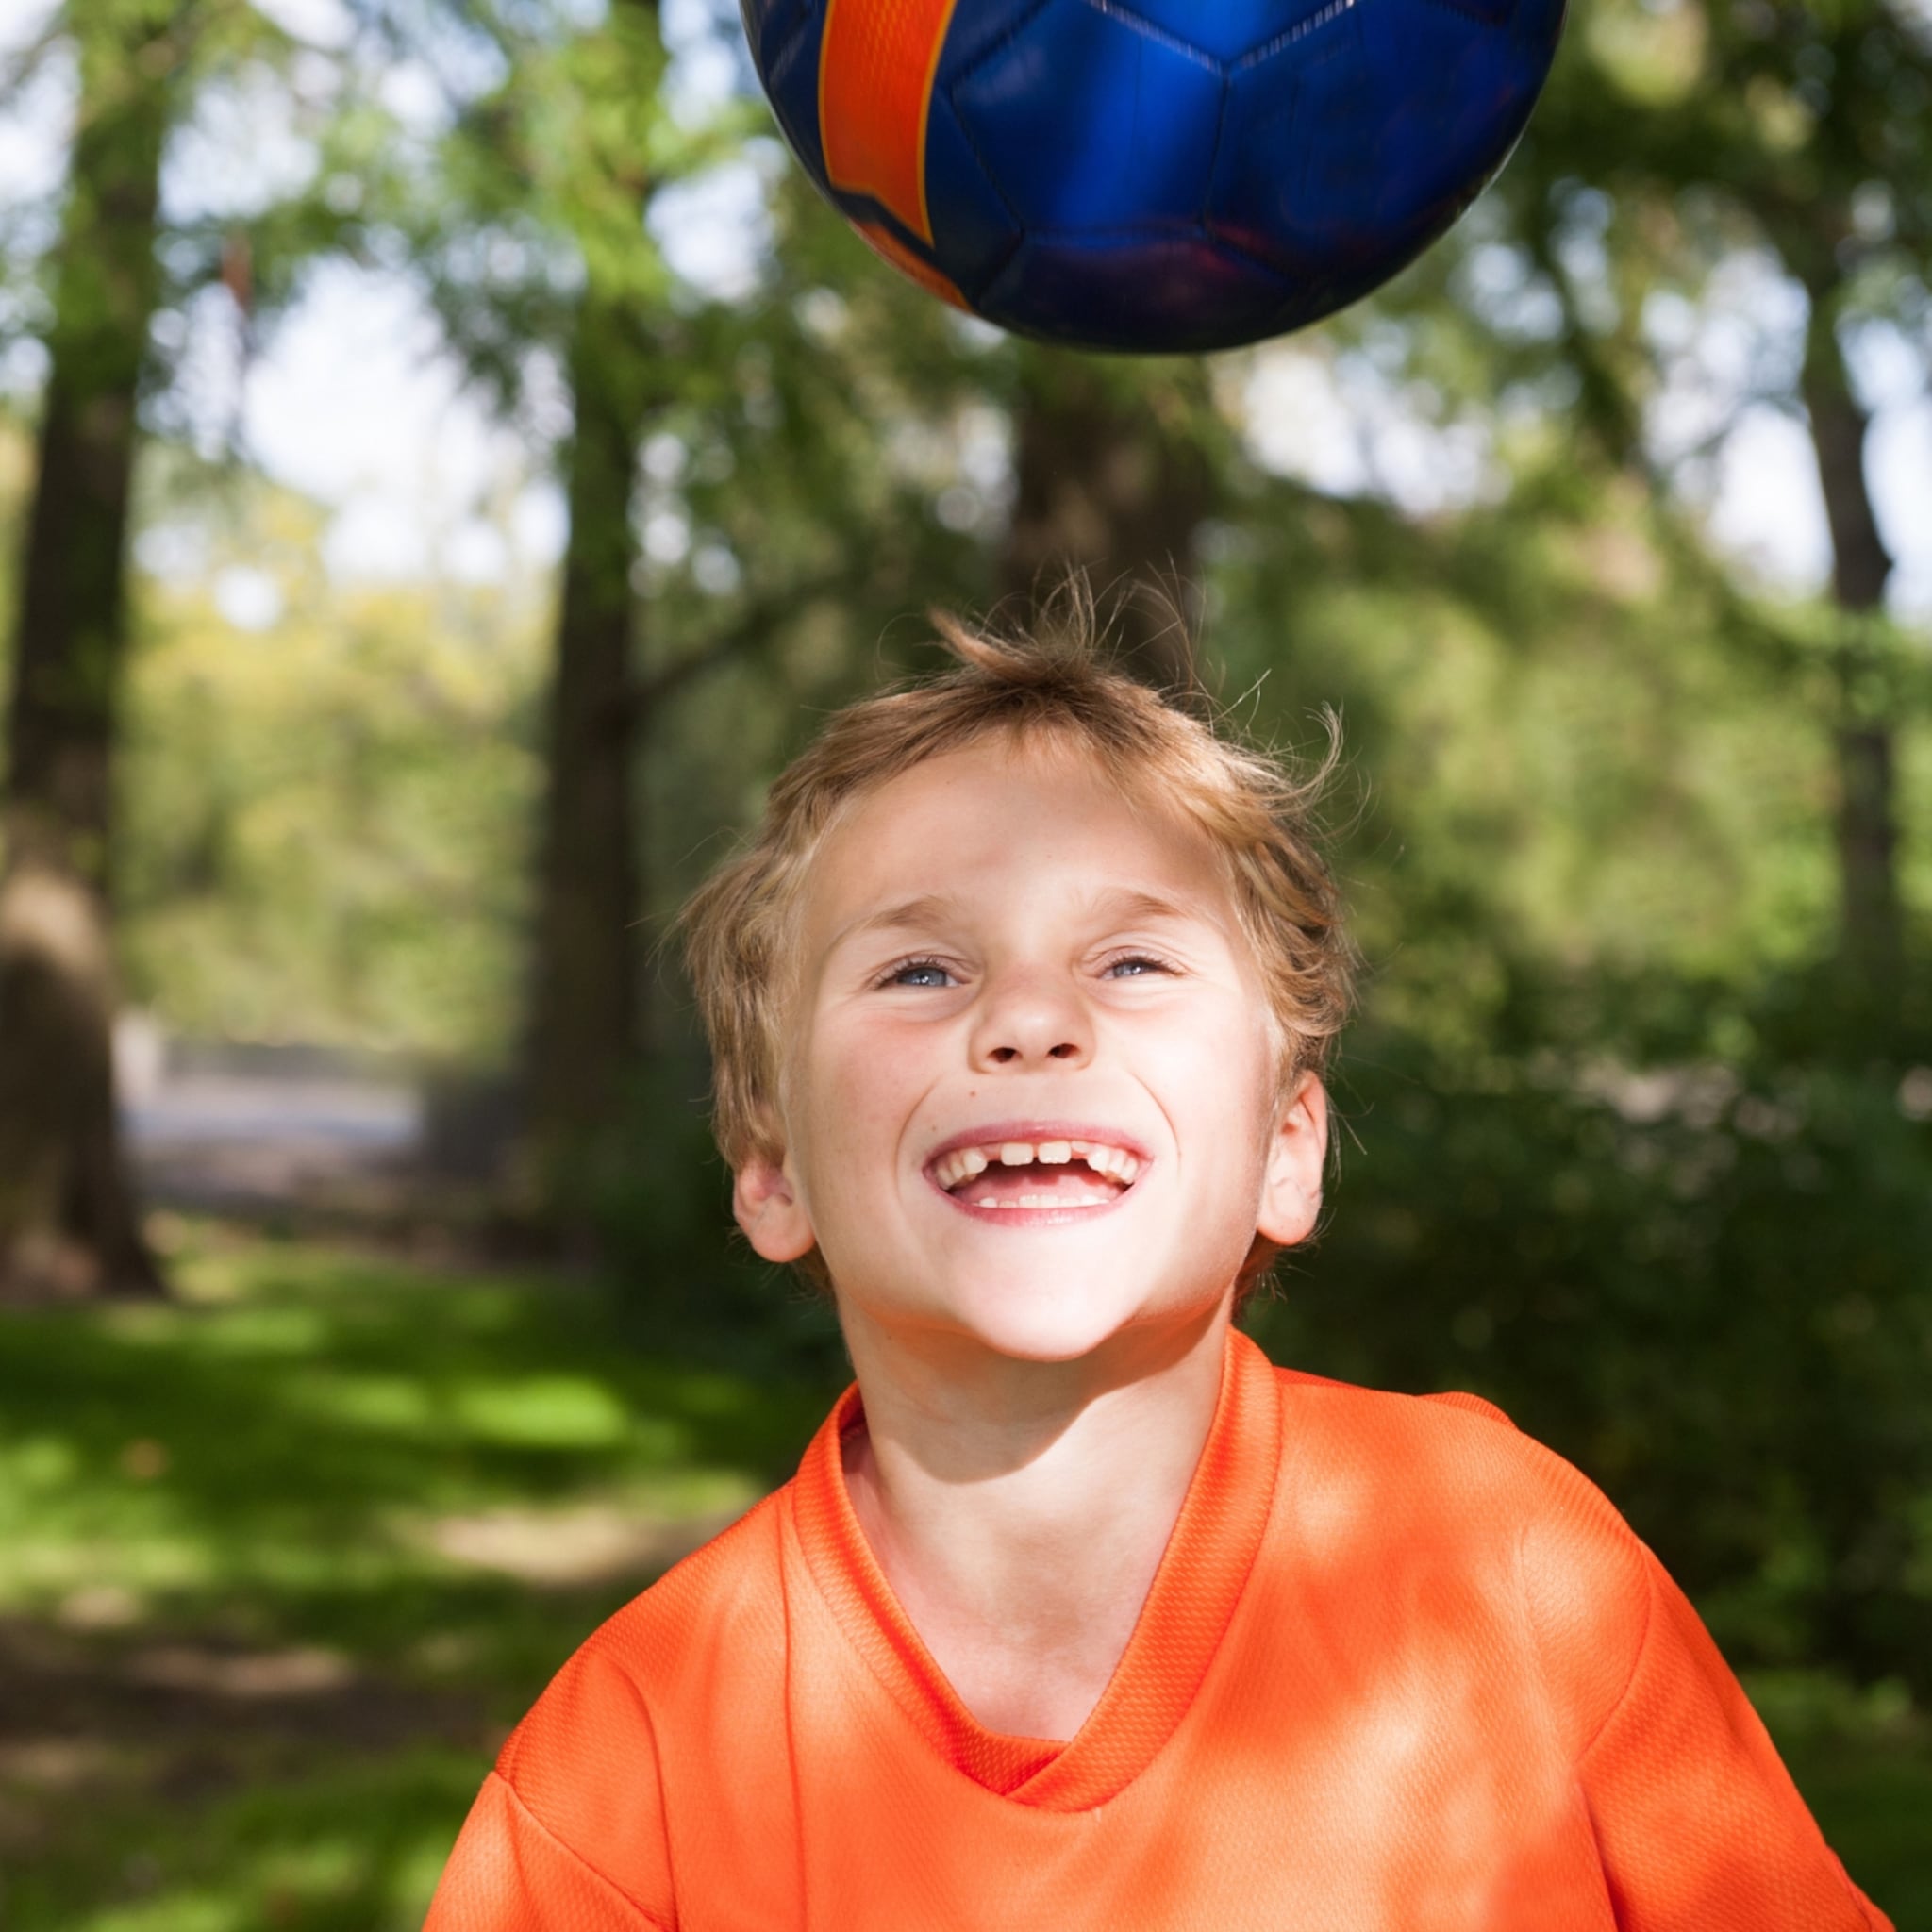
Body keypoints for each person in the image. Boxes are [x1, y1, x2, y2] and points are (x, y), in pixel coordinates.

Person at [424, 605, 1890, 1931]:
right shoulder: (633, 1765)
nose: (1032, 1021)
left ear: (1286, 1151)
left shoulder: (1510, 1569)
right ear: (773, 1172)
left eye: (1132, 963)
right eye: (921, 971)